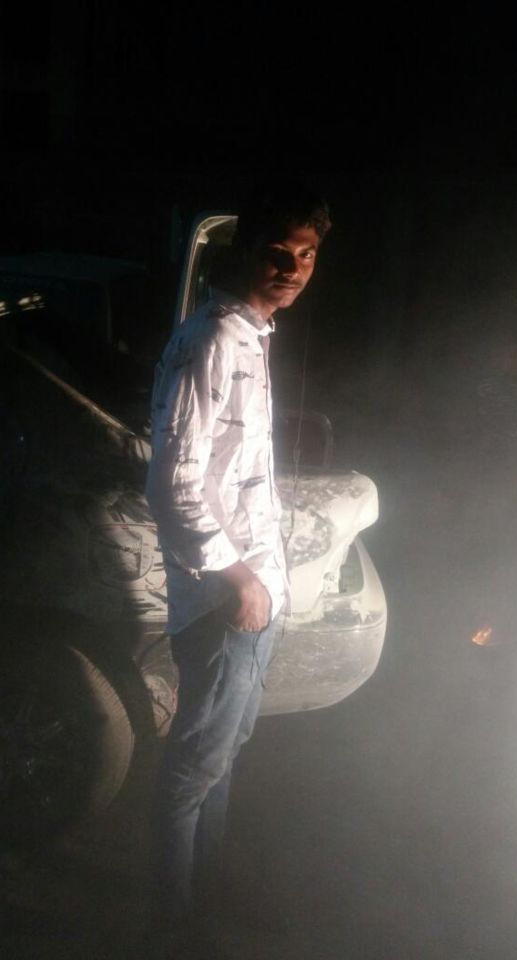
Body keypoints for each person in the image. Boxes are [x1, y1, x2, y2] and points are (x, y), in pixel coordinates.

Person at [144, 180, 331, 955]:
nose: (292, 268)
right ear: (244, 253)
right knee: (194, 768)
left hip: (253, 595)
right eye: (277, 252)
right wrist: (239, 579)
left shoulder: (253, 334)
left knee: (220, 756)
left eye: (306, 255)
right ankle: (171, 922)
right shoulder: (216, 339)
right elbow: (173, 483)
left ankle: (206, 889)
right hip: (226, 601)